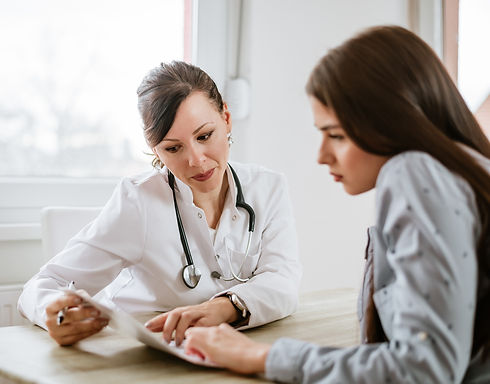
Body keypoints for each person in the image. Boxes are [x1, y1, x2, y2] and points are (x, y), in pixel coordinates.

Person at [183, 25, 490, 383]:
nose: (322, 156)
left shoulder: (412, 172)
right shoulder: (469, 168)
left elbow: (423, 369)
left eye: (336, 135)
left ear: (395, 122)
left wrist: (263, 356)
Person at [18, 61, 301, 347]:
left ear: (226, 118)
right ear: (155, 150)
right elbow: (42, 285)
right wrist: (53, 313)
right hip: (140, 354)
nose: (196, 160)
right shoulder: (138, 201)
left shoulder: (268, 188)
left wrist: (224, 307)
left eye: (204, 136)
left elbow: (284, 281)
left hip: (225, 353)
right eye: (173, 148)